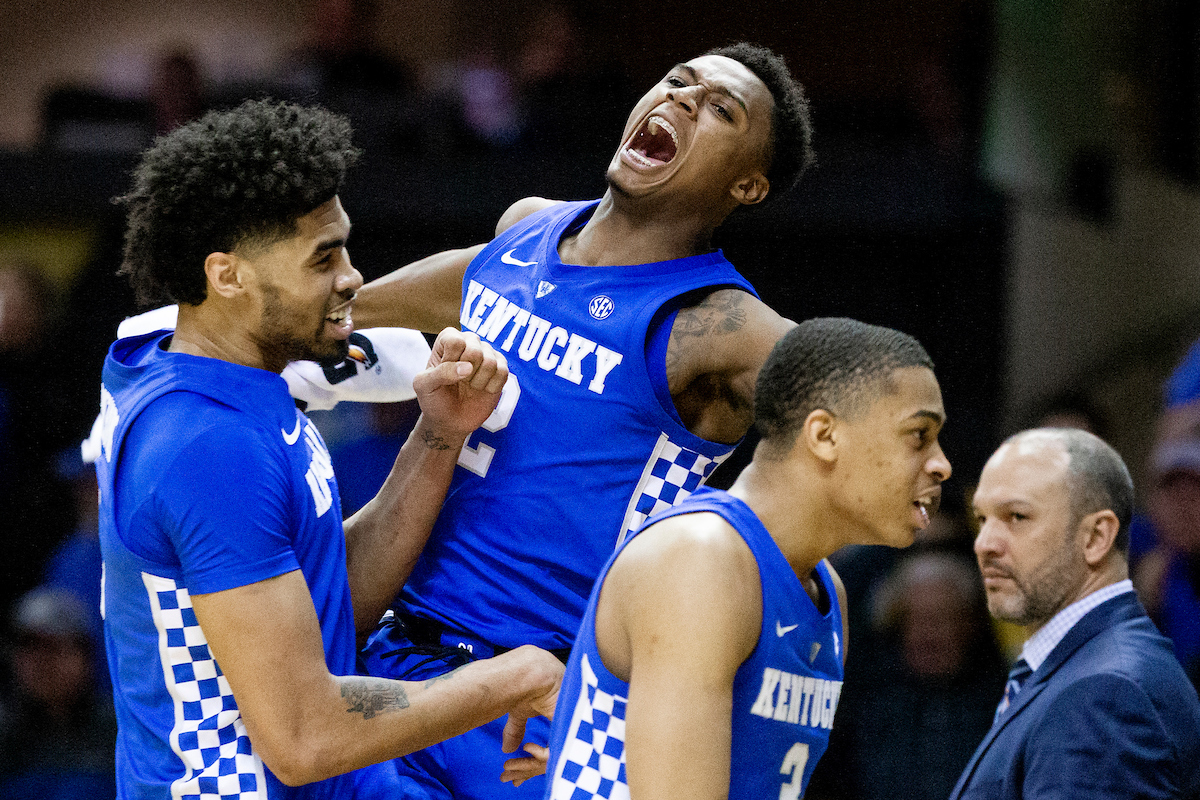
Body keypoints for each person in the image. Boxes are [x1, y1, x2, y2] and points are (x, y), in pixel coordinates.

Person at [349, 42, 815, 798]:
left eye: (721, 109)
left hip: (535, 707)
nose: (684, 101)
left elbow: (857, 417)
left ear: (748, 183)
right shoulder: (527, 228)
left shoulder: (726, 325)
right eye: (677, 81)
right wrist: (308, 319)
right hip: (389, 663)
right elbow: (443, 287)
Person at [95, 98, 561, 799]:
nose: (351, 278)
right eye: (324, 258)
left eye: (343, 247)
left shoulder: (223, 376)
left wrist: (439, 434)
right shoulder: (207, 445)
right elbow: (304, 740)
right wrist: (515, 677)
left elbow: (325, 600)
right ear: (227, 276)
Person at [541, 317, 950, 800]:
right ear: (824, 435)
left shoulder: (828, 590)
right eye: (918, 435)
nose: (941, 464)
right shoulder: (698, 558)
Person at [952, 428, 1200, 799]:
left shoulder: (1103, 694)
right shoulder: (1091, 669)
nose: (984, 543)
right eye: (982, 518)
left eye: (1016, 516)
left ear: (1096, 537)